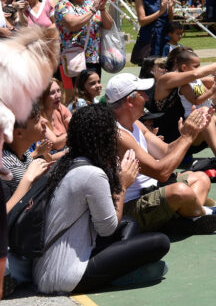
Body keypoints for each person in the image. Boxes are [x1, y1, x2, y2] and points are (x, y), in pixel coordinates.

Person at [33, 104, 172, 294]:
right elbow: (107, 229)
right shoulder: (92, 174)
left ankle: (123, 272)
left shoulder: (65, 164)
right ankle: (120, 276)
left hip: (45, 270)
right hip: (66, 277)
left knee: (129, 222)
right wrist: (122, 185)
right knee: (160, 242)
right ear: (105, 139)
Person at [109, 74, 216, 234]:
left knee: (201, 178)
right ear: (130, 101)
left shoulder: (135, 123)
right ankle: (205, 213)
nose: (146, 97)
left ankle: (186, 218)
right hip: (132, 205)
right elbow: (162, 172)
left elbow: (165, 152)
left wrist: (189, 131)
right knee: (180, 191)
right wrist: (187, 137)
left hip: (152, 190)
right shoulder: (118, 135)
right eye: (142, 93)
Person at [54, 0, 113, 81]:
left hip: (93, 59)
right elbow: (72, 25)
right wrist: (94, 10)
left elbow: (109, 25)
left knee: (91, 93)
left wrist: (103, 9)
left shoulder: (90, 4)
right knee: (72, 95)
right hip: (72, 59)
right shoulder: (63, 5)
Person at [131, 0, 175, 64]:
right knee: (150, 69)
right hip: (150, 38)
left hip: (164, 36)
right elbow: (142, 21)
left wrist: (171, 8)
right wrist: (160, 12)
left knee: (165, 67)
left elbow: (170, 19)